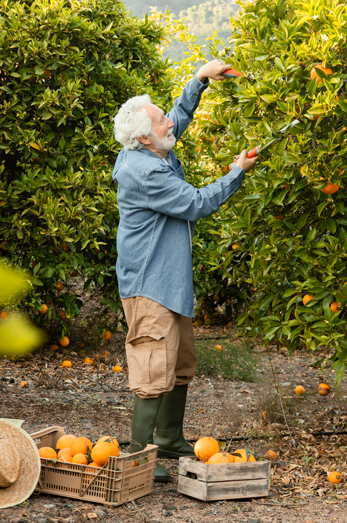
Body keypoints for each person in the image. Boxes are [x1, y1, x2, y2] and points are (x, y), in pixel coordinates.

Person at [111, 60, 257, 481]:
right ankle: (140, 455)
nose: (168, 124)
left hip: (169, 278)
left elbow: (175, 119)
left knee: (179, 363)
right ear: (144, 136)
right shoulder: (147, 171)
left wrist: (199, 79)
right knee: (153, 366)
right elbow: (197, 203)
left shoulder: (147, 145)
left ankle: (170, 438)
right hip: (149, 283)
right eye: (160, 121)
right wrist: (236, 173)